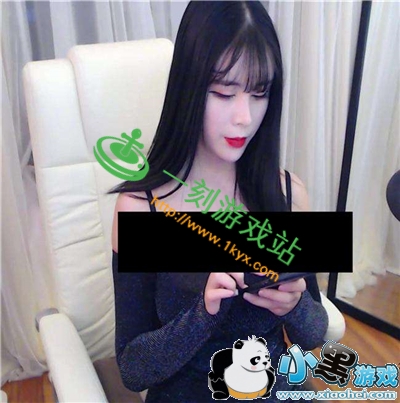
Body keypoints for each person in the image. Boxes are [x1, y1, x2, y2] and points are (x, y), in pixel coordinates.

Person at [108, 1, 328, 402]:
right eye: (224, 93)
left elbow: (314, 334)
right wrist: (203, 314)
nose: (245, 117)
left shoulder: (287, 194)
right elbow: (132, 369)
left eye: (259, 93)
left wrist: (293, 305)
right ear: (188, 89)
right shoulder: (141, 208)